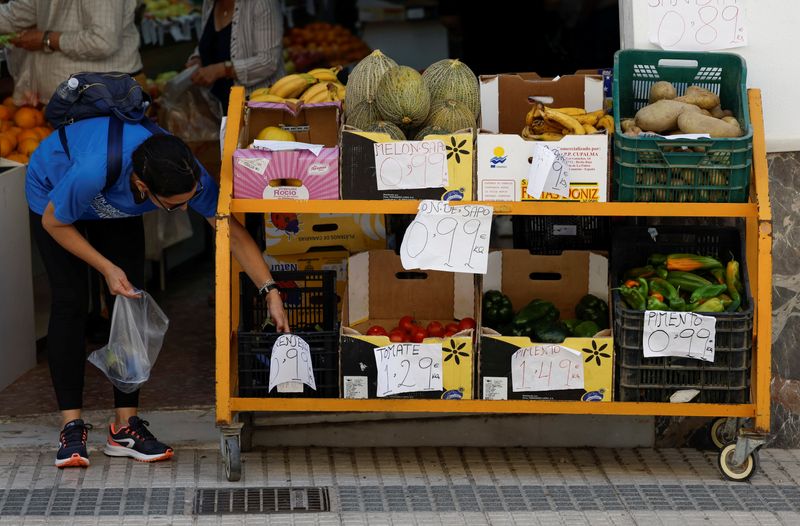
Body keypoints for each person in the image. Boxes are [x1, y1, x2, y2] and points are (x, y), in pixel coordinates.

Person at [27, 114, 290, 468]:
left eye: (188, 200)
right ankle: (71, 426)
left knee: (129, 298)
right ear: (142, 186)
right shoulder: (94, 170)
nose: (184, 209)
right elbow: (53, 222)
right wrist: (106, 267)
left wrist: (270, 290)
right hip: (54, 194)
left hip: (114, 207)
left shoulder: (184, 171)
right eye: (173, 206)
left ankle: (124, 427)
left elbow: (230, 232)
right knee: (71, 301)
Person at [0, 0, 143, 105]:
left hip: (102, 99)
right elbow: (14, 15)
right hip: (64, 102)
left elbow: (103, 41)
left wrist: (46, 39)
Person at [186, 0, 284, 112]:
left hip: (258, 108)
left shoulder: (262, 3)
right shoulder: (209, 3)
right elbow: (209, 41)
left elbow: (268, 61)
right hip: (219, 107)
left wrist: (222, 69)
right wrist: (197, 58)